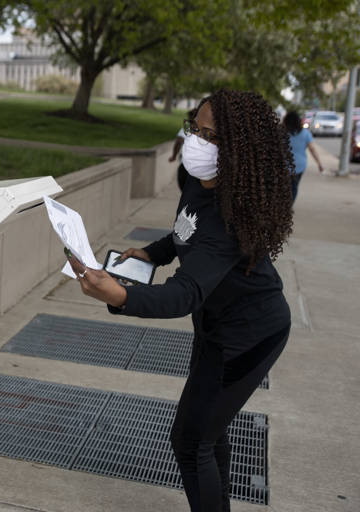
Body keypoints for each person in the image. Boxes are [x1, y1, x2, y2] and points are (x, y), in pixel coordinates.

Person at [67, 89, 294, 512]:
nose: (197, 142)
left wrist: (120, 294)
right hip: (215, 325)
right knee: (208, 431)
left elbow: (185, 292)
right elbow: (184, 232)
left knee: (190, 441)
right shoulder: (196, 180)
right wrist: (152, 253)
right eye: (196, 128)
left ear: (240, 152)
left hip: (249, 336)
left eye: (212, 137)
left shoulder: (232, 217)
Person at [283, 110, 324, 202]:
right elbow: (312, 149)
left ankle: (283, 205)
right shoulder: (305, 134)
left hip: (283, 165)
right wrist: (319, 164)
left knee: (283, 187)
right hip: (299, 165)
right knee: (294, 186)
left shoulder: (281, 133)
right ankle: (289, 205)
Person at [169, 126, 190, 191]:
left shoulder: (188, 127)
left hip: (185, 166)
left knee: (184, 189)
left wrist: (174, 156)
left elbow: (179, 142)